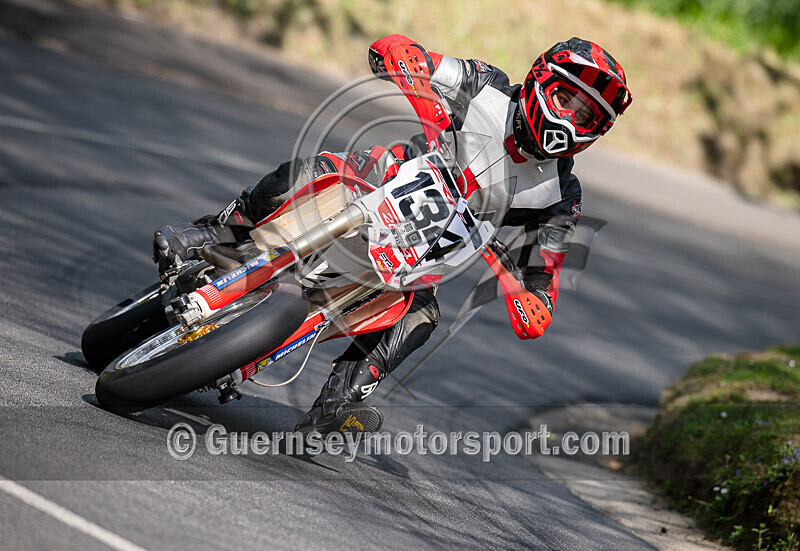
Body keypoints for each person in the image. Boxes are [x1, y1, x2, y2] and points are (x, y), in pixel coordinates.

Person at [153, 35, 632, 435]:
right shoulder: (485, 85)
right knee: (306, 173)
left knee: (422, 318)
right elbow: (406, 54)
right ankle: (212, 231)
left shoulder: (561, 194)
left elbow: (542, 276)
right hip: (379, 179)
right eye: (566, 99)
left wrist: (533, 304)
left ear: (597, 132)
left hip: (422, 255)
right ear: (539, 81)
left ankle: (332, 409)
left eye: (585, 116)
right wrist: (407, 62)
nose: (567, 119)